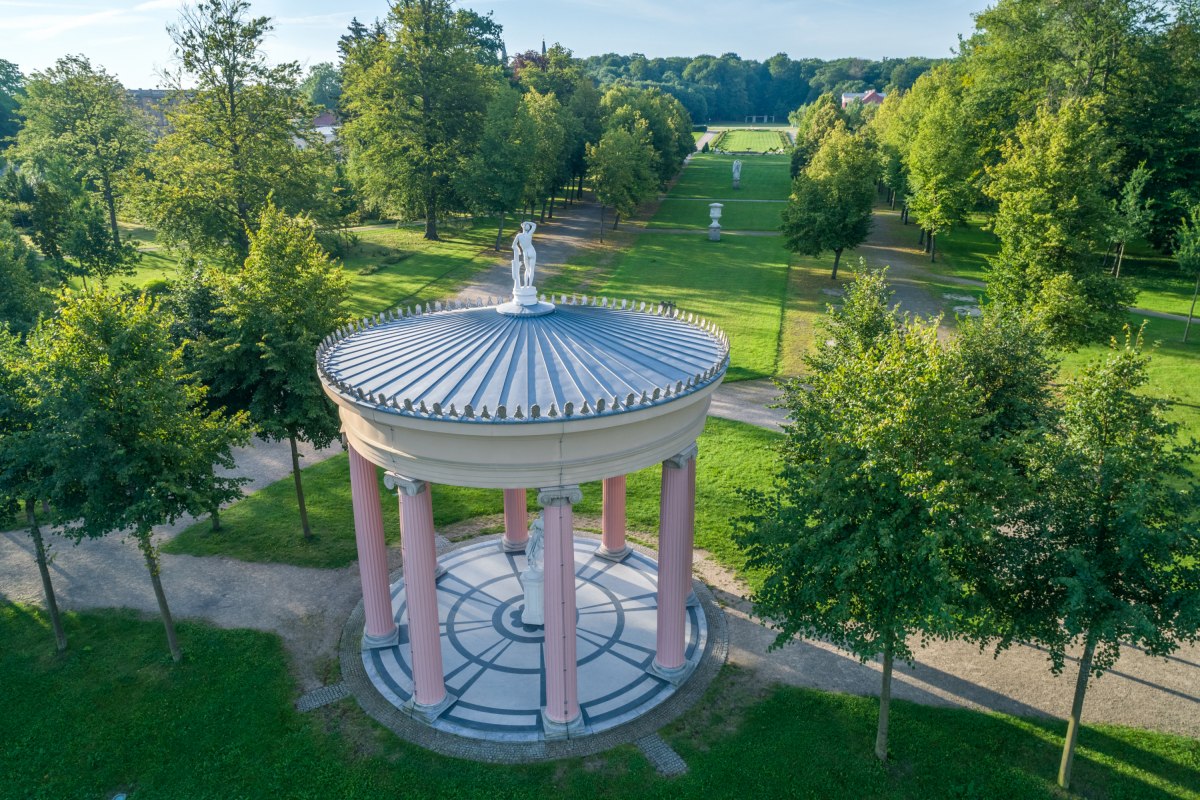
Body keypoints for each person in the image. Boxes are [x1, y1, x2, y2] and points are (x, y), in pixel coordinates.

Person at [511, 221, 537, 289]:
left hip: (526, 252)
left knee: (528, 269)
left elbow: (513, 246)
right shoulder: (528, 234)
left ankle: (527, 285)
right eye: (527, 225)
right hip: (530, 251)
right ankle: (529, 285)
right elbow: (534, 225)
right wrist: (527, 222)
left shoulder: (520, 235)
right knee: (530, 269)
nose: (528, 226)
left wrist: (518, 250)